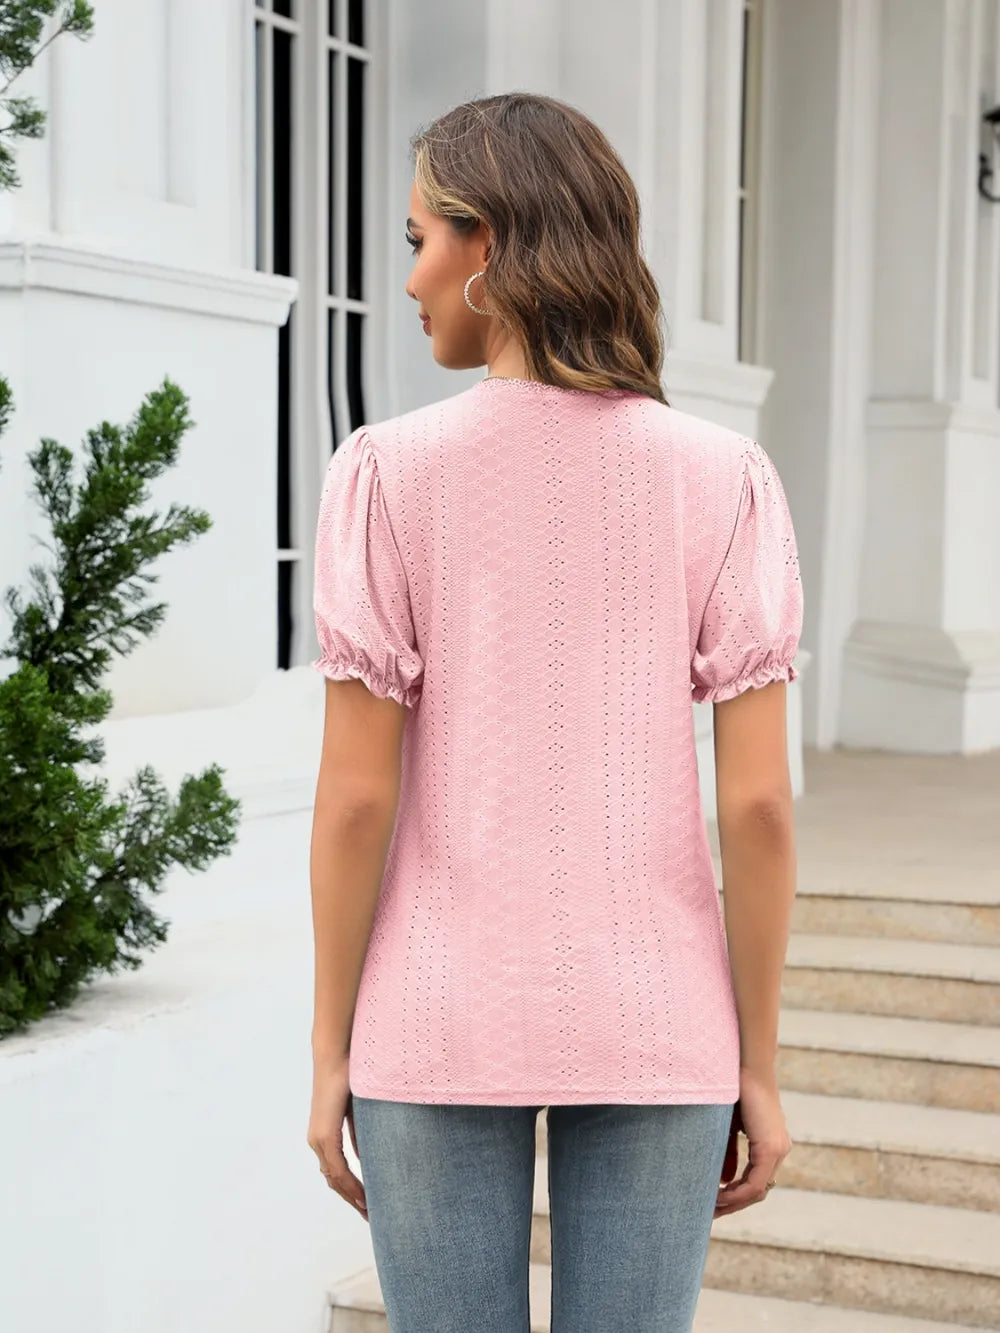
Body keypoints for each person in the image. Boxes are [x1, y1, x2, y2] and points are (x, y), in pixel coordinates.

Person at [306, 91, 803, 1333]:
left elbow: (357, 797)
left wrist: (328, 1048)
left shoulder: (385, 473)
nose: (409, 278)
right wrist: (758, 1060)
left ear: (487, 244)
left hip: (433, 1012)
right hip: (659, 1016)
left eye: (420, 238)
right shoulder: (723, 478)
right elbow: (756, 804)